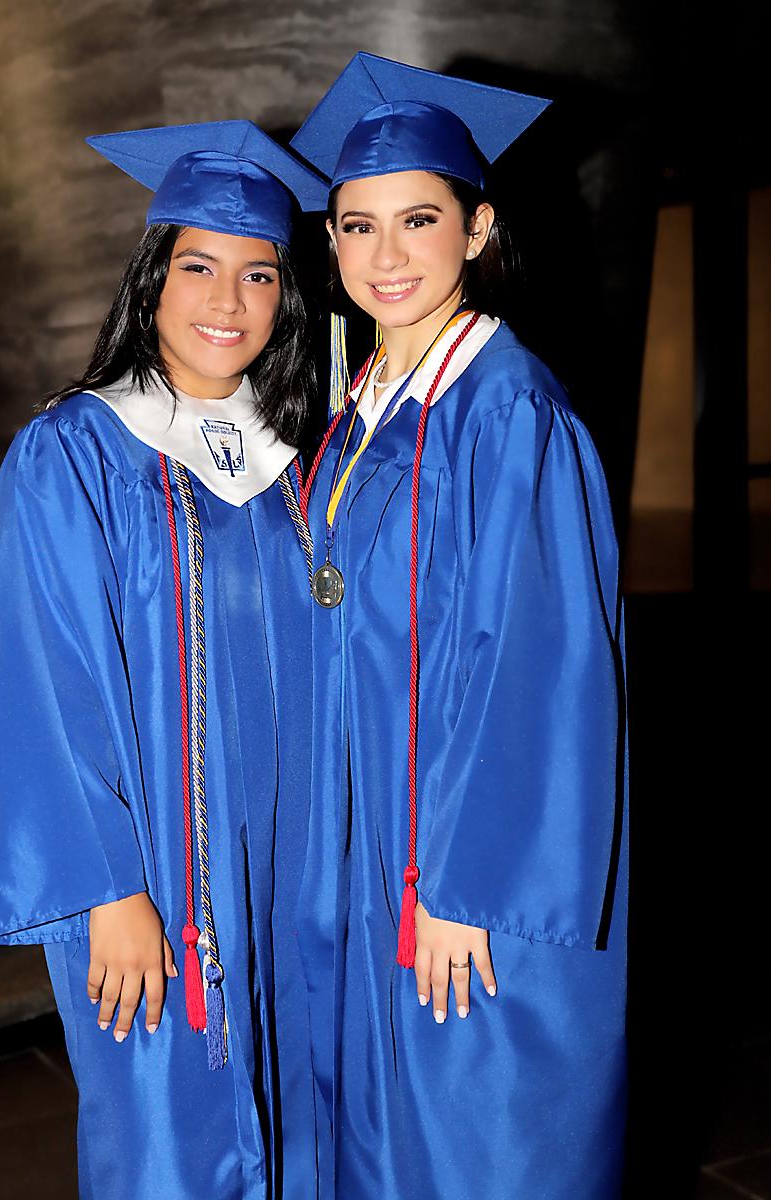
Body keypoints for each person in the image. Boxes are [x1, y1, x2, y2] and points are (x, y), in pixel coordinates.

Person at [290, 54, 628, 1198]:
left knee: (479, 1145)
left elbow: (541, 672)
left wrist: (463, 890)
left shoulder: (508, 412)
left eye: (419, 220)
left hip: (462, 871)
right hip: (368, 852)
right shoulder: (363, 416)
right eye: (357, 226)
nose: (387, 256)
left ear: (478, 228)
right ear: (330, 244)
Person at [0, 120, 329, 1199]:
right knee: (168, 1139)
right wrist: (110, 892)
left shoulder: (293, 466)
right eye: (199, 266)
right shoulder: (74, 453)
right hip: (159, 885)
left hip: (295, 876)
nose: (226, 301)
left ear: (285, 296)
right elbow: (42, 684)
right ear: (151, 278)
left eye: (258, 273)